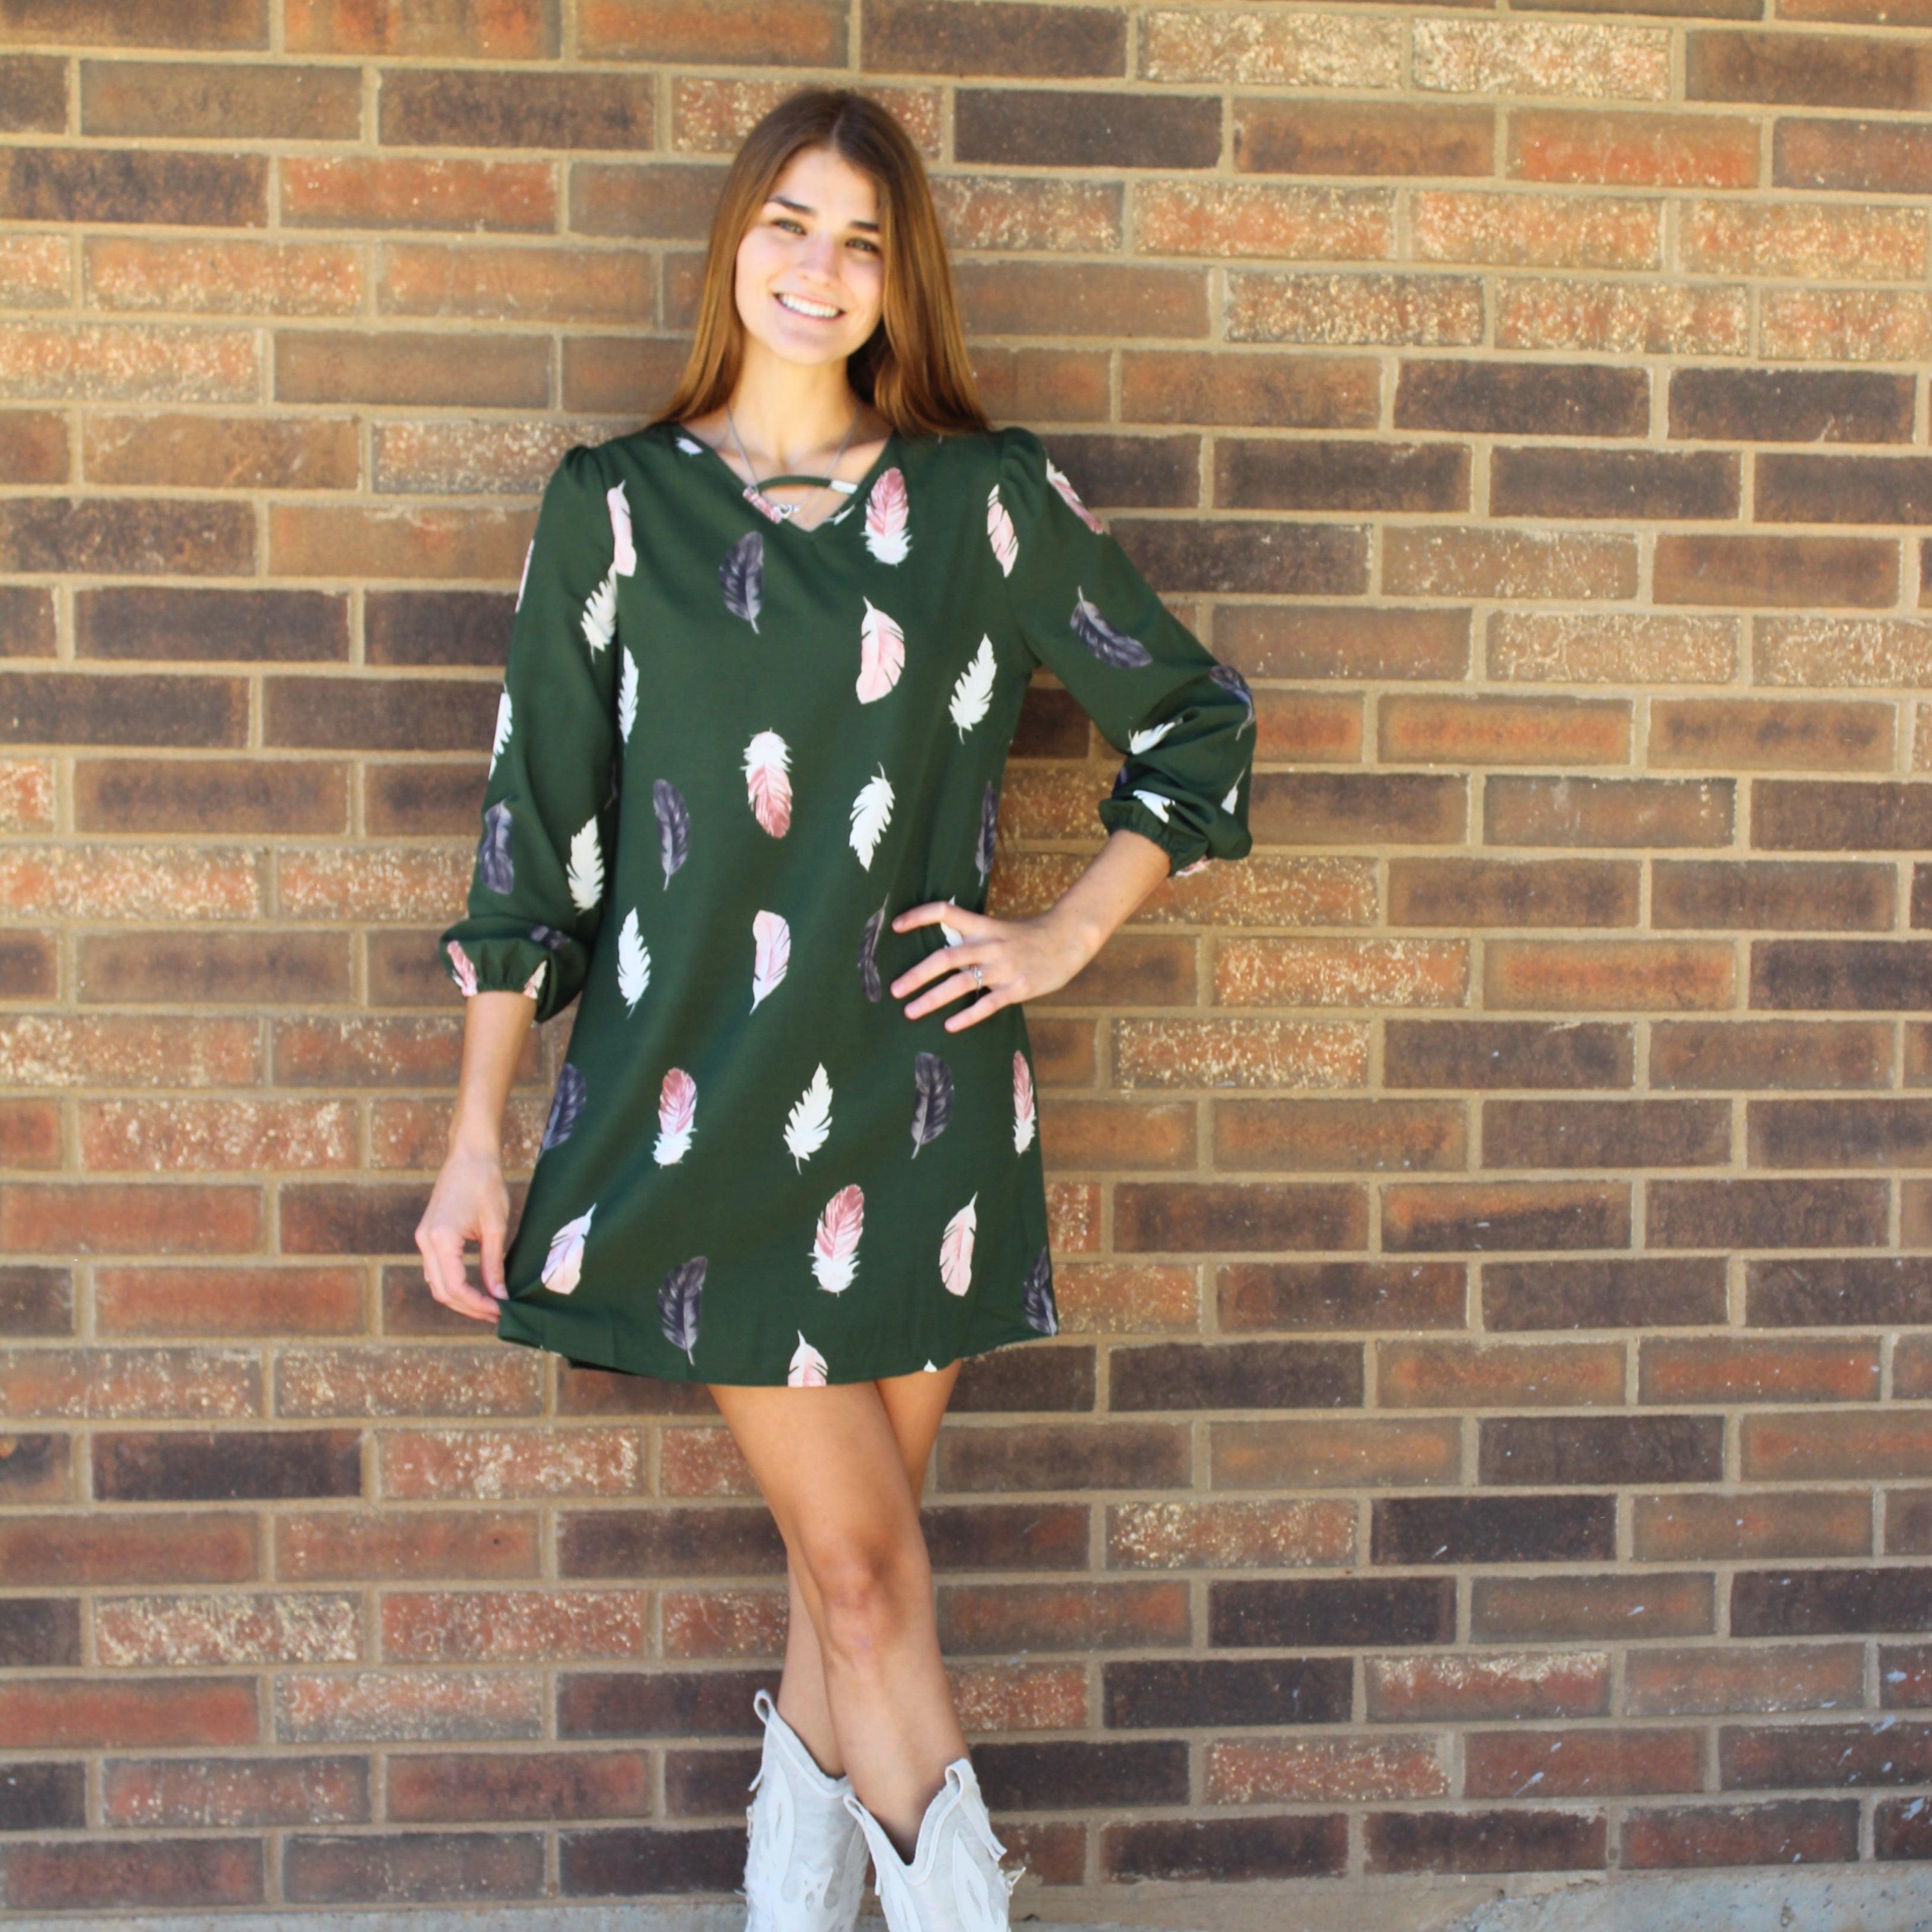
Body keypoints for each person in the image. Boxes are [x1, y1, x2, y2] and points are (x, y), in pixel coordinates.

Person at [415, 86, 1254, 1932]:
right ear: (736, 241)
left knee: (841, 1580)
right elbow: (531, 846)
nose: (821, 267)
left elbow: (1199, 726)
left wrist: (1060, 936)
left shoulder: (981, 500)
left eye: (863, 241)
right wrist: (477, 1139)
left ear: (900, 282)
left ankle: (790, 1912)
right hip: (695, 1116)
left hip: (920, 1106)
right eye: (790, 223)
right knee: (870, 1575)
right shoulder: (614, 508)